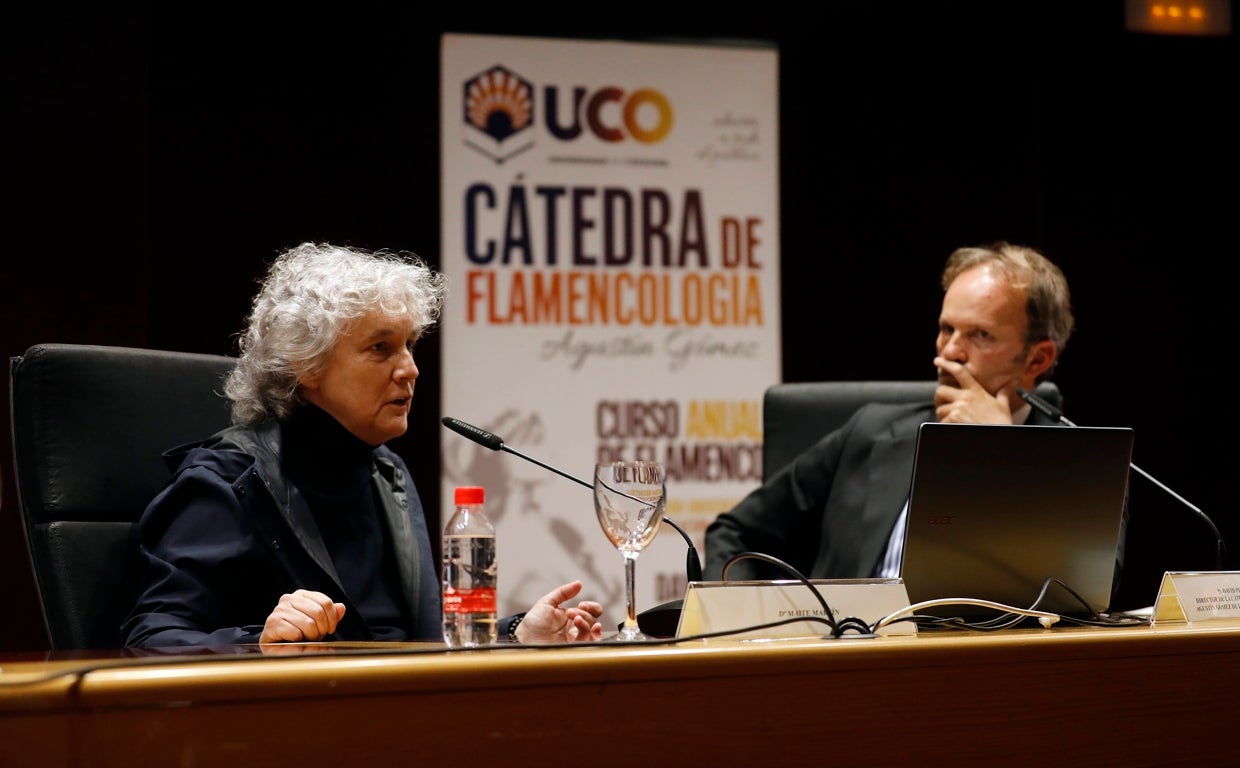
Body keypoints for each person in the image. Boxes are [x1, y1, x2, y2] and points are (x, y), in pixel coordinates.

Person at [122, 242, 604, 647]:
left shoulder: (385, 474)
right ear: (305, 365)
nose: (410, 369)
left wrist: (516, 633)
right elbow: (151, 637)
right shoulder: (227, 482)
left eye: (410, 344)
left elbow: (413, 645)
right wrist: (259, 640)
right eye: (381, 348)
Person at [704, 241, 1075, 583]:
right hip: (853, 648)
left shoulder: (1081, 469)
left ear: (1037, 357)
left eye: (981, 336)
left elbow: (1075, 583)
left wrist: (1004, 451)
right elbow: (734, 533)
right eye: (947, 329)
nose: (949, 352)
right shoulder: (870, 433)